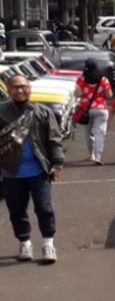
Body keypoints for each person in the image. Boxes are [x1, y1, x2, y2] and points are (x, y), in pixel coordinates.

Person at [0, 74, 65, 263]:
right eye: (15, 87)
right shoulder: (2, 112)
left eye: (23, 86)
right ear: (8, 89)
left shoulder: (41, 111)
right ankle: (25, 243)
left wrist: (57, 163)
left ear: (29, 88)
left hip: (39, 171)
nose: (20, 90)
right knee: (16, 210)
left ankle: (48, 244)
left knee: (44, 208)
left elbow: (54, 140)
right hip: (11, 173)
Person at [74, 59, 112, 165]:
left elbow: (78, 94)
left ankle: (91, 154)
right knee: (100, 133)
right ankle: (98, 157)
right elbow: (109, 95)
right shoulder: (103, 80)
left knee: (88, 133)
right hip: (101, 109)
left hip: (86, 109)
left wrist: (84, 94)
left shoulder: (81, 79)